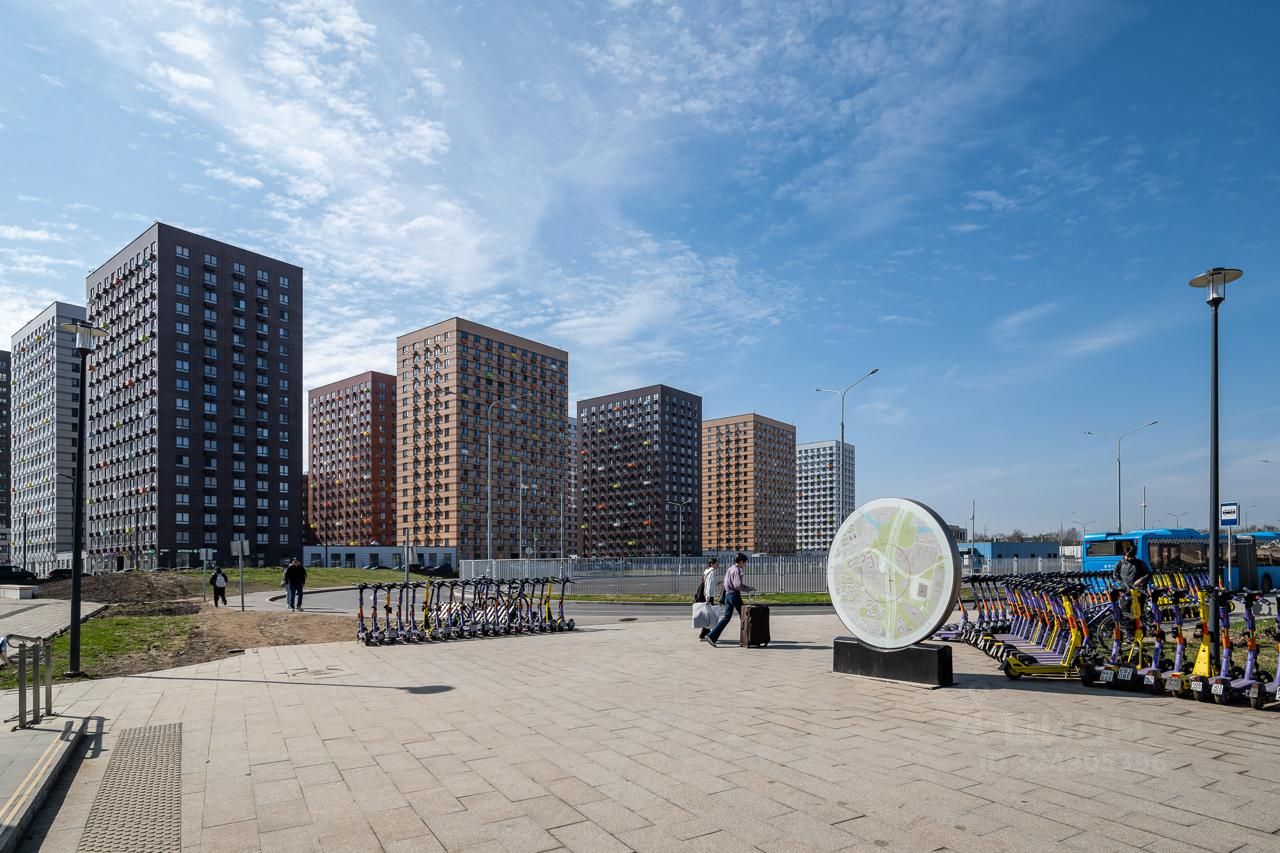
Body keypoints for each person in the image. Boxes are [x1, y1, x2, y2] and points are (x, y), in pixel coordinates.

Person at [706, 553, 754, 647]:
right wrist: (748, 588)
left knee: (726, 618)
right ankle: (747, 639)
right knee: (744, 617)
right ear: (741, 561)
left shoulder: (730, 569)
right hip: (734, 595)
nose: (745, 564)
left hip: (727, 595)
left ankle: (711, 636)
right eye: (745, 562)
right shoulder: (737, 570)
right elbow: (737, 585)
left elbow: (725, 582)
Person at [696, 557, 719, 641]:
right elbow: (708, 585)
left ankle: (706, 633)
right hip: (708, 597)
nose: (718, 565)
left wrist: (716, 583)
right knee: (710, 616)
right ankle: (703, 635)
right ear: (711, 564)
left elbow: (708, 583)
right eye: (716, 563)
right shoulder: (712, 572)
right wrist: (708, 598)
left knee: (708, 616)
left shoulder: (707, 571)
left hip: (706, 596)